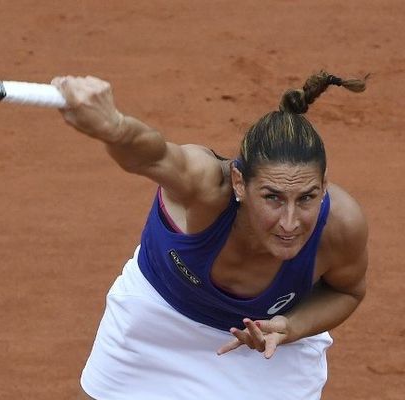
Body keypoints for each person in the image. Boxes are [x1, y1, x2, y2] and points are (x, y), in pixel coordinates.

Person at [51, 70, 369, 400]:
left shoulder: (341, 225)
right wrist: (114, 127)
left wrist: (292, 327)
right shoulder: (204, 187)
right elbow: (153, 154)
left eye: (306, 198)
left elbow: (347, 292)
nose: (290, 222)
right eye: (272, 197)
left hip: (269, 350)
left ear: (325, 186)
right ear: (239, 182)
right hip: (158, 322)